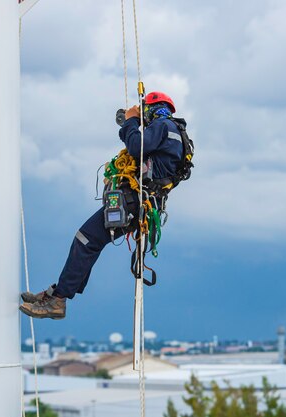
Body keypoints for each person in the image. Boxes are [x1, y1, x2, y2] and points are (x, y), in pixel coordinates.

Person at [19, 91, 186, 319]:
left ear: (152, 108)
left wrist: (130, 121)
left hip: (135, 202)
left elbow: (137, 146)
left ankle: (58, 300)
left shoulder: (164, 126)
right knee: (90, 242)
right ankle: (57, 294)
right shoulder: (174, 132)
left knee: (85, 239)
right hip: (141, 203)